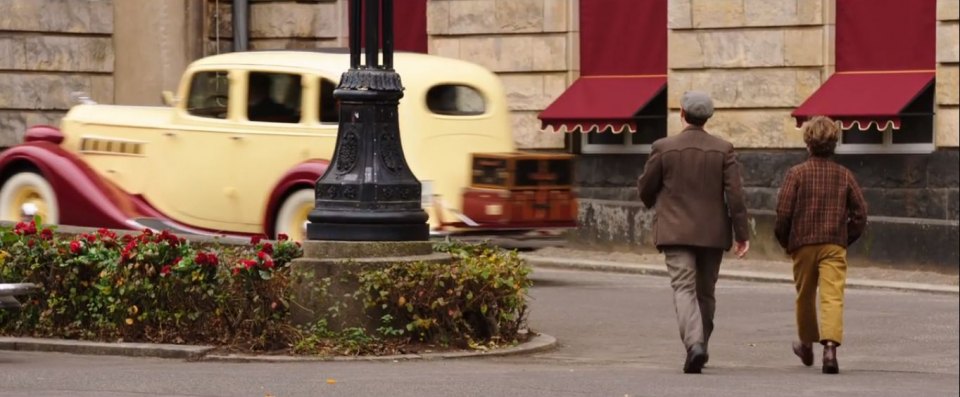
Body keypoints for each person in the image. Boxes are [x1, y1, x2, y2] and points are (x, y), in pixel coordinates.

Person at [638, 90, 750, 374]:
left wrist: (653, 201)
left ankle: (694, 345)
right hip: (713, 234)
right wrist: (742, 235)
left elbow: (645, 189)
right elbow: (735, 196)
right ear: (708, 117)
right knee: (706, 293)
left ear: (682, 114)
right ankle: (701, 345)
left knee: (684, 289)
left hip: (674, 231)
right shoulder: (724, 149)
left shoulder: (664, 148)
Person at [775, 116, 868, 375]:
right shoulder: (845, 175)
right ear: (834, 144)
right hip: (833, 245)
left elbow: (783, 212)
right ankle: (830, 349)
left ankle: (806, 345)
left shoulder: (796, 174)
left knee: (804, 295)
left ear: (808, 143)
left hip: (803, 243)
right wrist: (844, 238)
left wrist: (786, 242)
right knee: (832, 296)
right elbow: (860, 213)